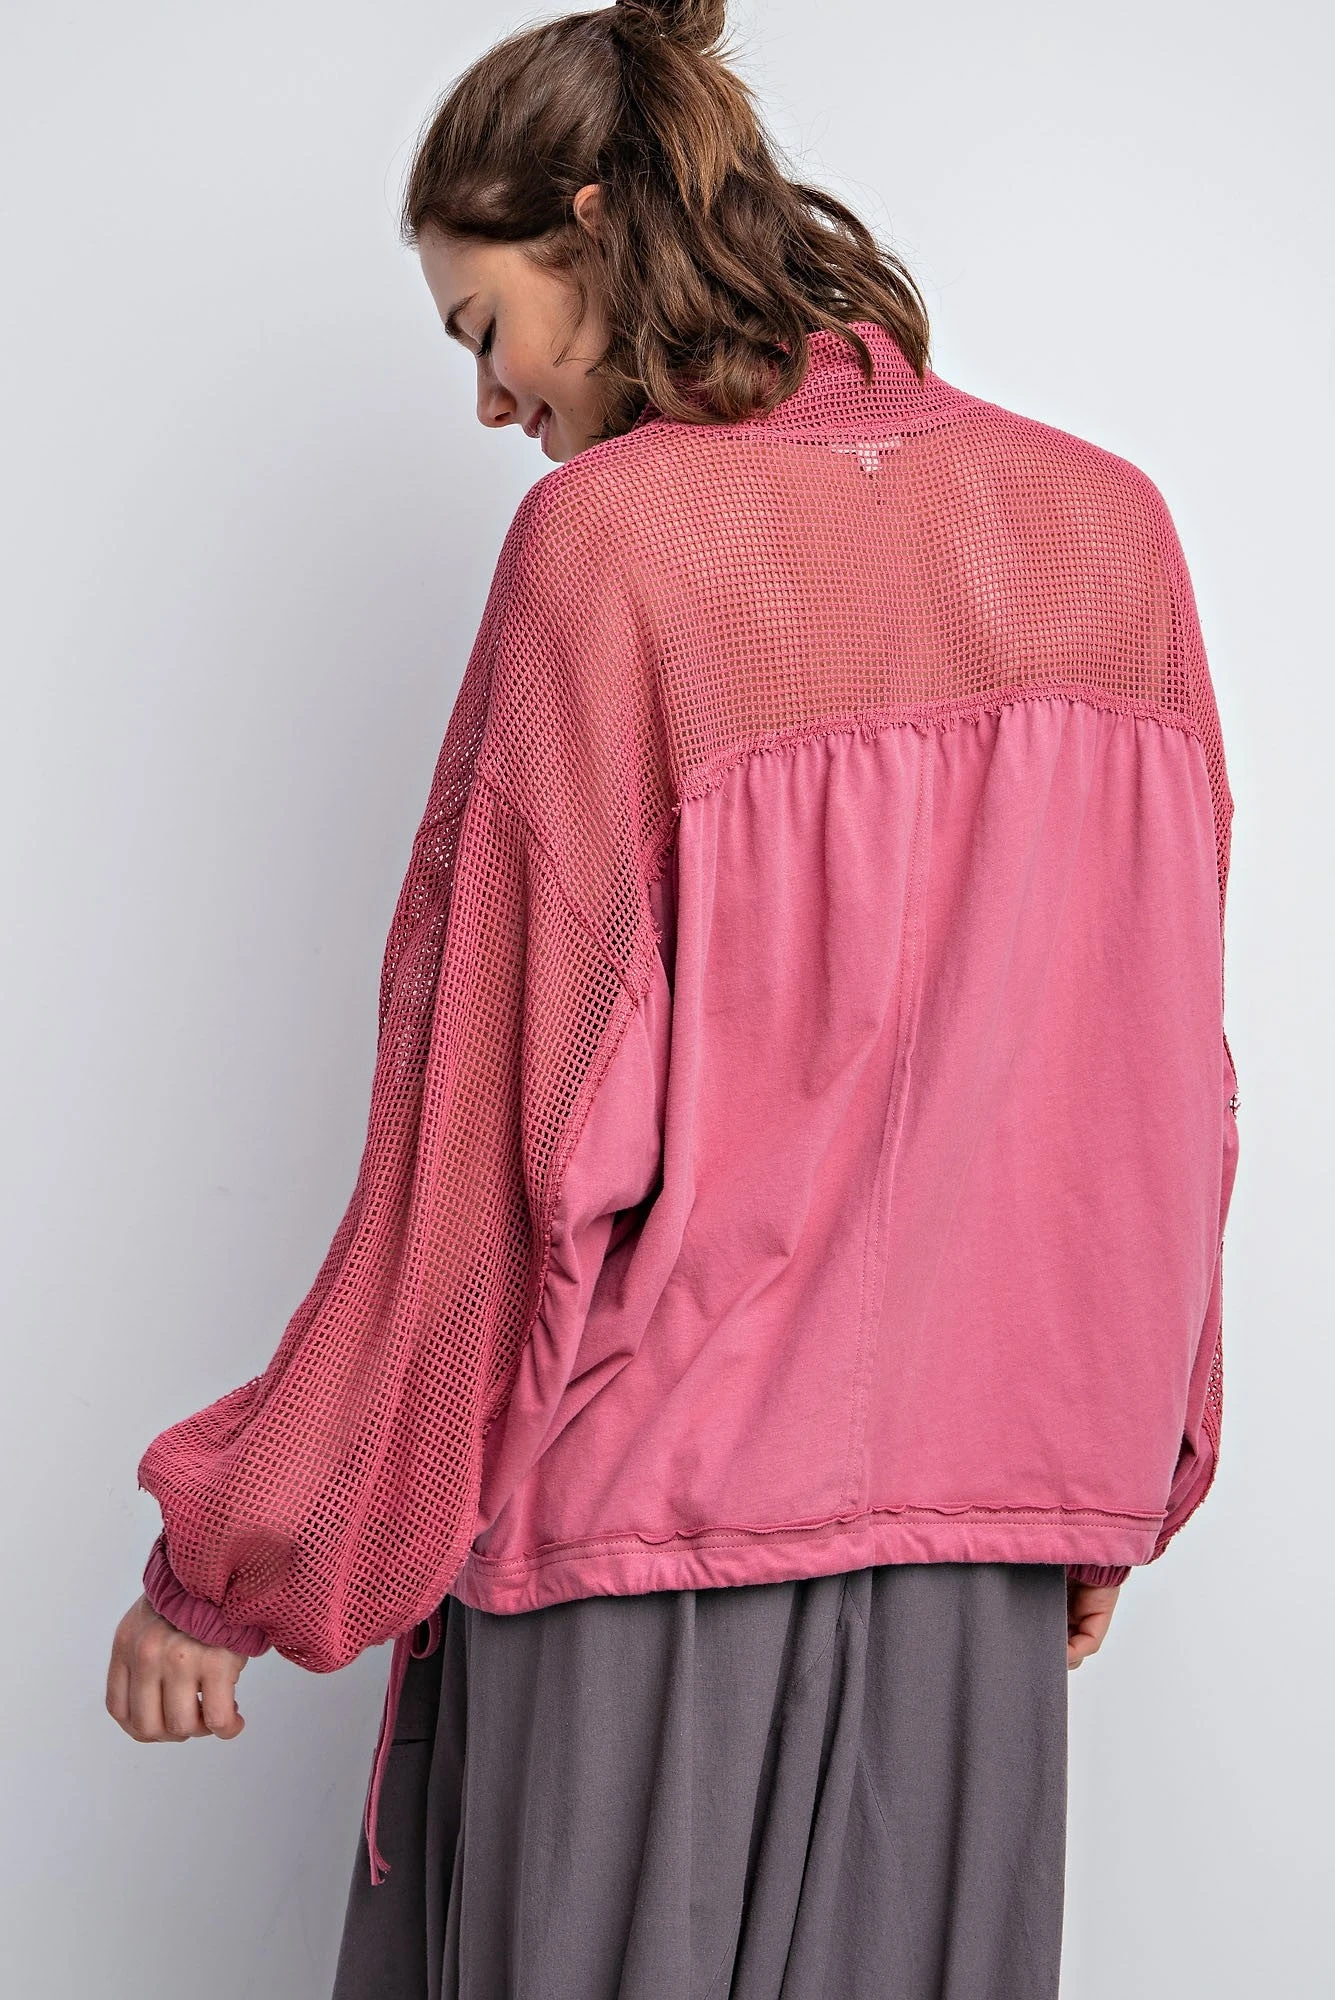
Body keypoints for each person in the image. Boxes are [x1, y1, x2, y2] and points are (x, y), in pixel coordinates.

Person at [104, 2, 1241, 1995]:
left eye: (484, 329)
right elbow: (1163, 1078)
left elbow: (481, 1147)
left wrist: (234, 1557)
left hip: (640, 1560)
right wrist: (1118, 1467)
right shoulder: (1107, 530)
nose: (488, 401)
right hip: (977, 1571)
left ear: (593, 221)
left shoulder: (614, 549)